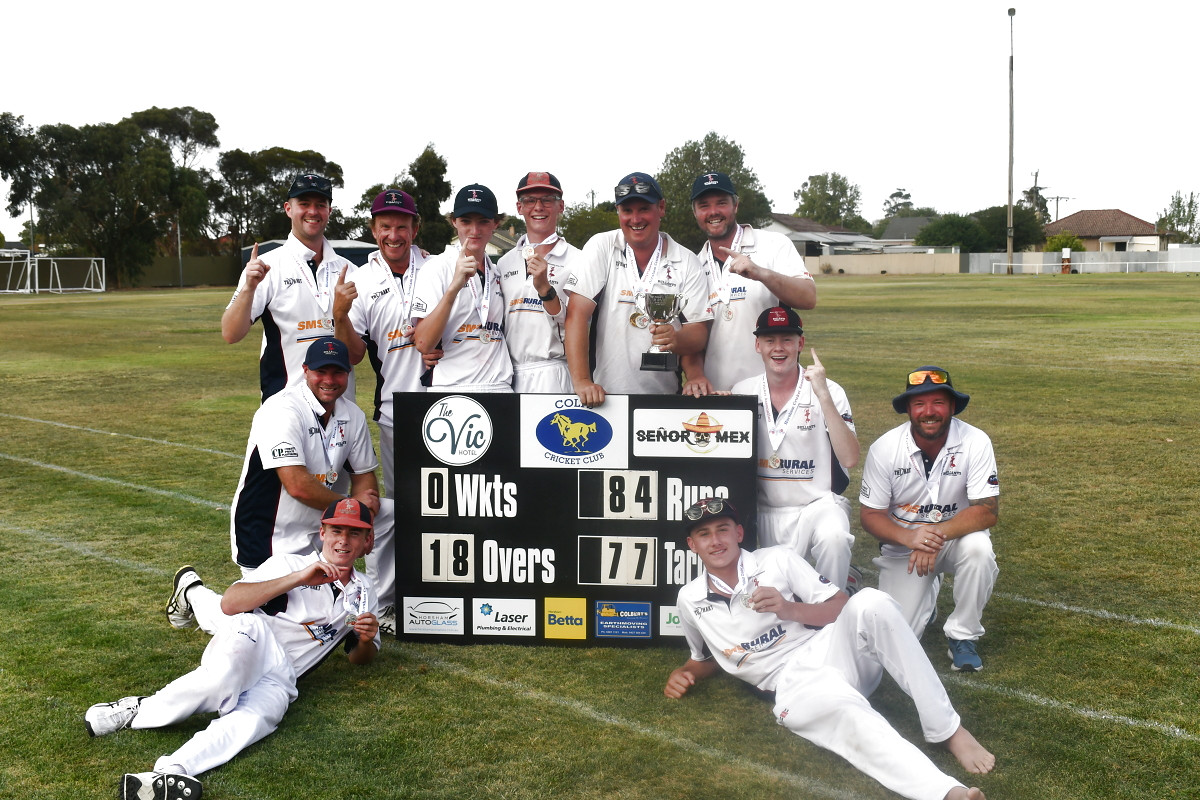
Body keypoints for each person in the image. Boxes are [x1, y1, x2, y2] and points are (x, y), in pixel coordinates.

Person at [665, 497, 994, 800]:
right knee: (856, 721)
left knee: (870, 601)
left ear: (738, 533)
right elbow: (704, 658)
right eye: (704, 534)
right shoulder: (689, 599)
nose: (716, 540)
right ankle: (949, 793)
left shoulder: (777, 559)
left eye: (723, 529)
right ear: (692, 545)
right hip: (793, 684)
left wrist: (789, 609)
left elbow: (840, 606)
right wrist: (684, 673)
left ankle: (949, 730)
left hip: (833, 648)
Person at [85, 498, 381, 800]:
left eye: (354, 533)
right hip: (256, 633)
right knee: (220, 682)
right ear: (322, 533)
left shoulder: (366, 590)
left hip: (285, 674)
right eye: (336, 531)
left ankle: (171, 771)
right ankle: (138, 709)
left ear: (367, 540)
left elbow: (360, 659)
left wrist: (367, 639)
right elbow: (231, 603)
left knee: (257, 720)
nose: (343, 540)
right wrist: (300, 577)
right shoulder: (291, 563)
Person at [228, 336, 397, 633]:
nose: (329, 380)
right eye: (321, 372)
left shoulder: (351, 415)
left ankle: (379, 607)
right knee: (261, 624)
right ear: (305, 370)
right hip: (268, 534)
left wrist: (363, 522)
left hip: (322, 531)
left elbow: (365, 478)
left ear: (348, 373)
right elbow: (297, 485)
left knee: (390, 513)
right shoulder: (281, 409)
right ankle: (194, 596)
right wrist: (354, 513)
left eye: (338, 372)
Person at [859, 367, 1000, 672]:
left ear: (951, 406)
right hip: (904, 546)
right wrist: (912, 538)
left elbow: (988, 509)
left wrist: (934, 535)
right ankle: (928, 594)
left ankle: (963, 636)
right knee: (894, 642)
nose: (929, 412)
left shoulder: (975, 440)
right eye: (919, 404)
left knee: (979, 549)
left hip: (955, 539)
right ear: (908, 409)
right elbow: (870, 516)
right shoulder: (884, 448)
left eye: (938, 402)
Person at [729, 307, 860, 590]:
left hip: (816, 505)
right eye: (769, 340)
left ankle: (835, 611)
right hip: (764, 509)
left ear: (800, 343)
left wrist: (823, 396)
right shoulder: (743, 390)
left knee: (835, 538)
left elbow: (849, 457)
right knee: (780, 597)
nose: (778, 348)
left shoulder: (830, 390)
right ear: (757, 345)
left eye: (787, 339)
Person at [563, 172, 712, 406]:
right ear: (618, 212)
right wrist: (582, 380)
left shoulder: (686, 260)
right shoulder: (602, 246)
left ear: (661, 208)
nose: (635, 219)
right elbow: (576, 315)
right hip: (604, 398)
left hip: (664, 398)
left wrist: (676, 339)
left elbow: (698, 331)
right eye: (627, 210)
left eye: (644, 208)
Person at [332, 188, 441, 495]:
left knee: (451, 499)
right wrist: (340, 316)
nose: (394, 236)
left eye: (402, 227)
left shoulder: (437, 269)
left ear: (415, 229)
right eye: (385, 227)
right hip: (397, 410)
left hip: (447, 401)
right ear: (373, 229)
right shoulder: (362, 280)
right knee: (403, 501)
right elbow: (353, 356)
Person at [221, 173, 357, 402]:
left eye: (320, 205)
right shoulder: (265, 267)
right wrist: (248, 288)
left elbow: (364, 347)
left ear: (329, 211)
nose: (313, 211)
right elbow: (230, 334)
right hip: (284, 409)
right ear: (288, 208)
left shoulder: (350, 270)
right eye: (304, 204)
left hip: (340, 410)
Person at [688, 171, 816, 392]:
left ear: (735, 205)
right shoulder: (693, 265)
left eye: (721, 203)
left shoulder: (773, 244)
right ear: (695, 212)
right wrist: (696, 375)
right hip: (718, 396)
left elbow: (808, 297)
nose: (713, 212)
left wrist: (760, 273)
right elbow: (694, 336)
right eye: (704, 205)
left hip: (772, 393)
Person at [411, 184, 514, 391]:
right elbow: (423, 343)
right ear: (453, 222)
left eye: (483, 222)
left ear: (495, 223)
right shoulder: (437, 267)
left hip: (499, 387)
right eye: (466, 221)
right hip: (451, 387)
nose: (474, 231)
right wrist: (454, 289)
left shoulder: (497, 270)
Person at [496, 172, 580, 393]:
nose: (538, 207)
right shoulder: (505, 262)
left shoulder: (579, 260)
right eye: (530, 200)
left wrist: (545, 289)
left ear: (560, 206)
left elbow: (579, 326)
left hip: (554, 374)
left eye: (547, 200)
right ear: (519, 207)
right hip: (508, 375)